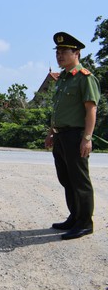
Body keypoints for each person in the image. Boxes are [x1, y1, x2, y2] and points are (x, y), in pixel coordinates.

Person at [45, 31, 100, 240]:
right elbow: (59, 110)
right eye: (57, 52)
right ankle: (75, 216)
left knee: (79, 180)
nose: (59, 55)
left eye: (63, 51)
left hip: (75, 135)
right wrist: (52, 133)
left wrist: (87, 138)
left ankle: (85, 223)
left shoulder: (84, 78)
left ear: (76, 53)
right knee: (66, 178)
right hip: (60, 136)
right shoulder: (62, 79)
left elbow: (91, 110)